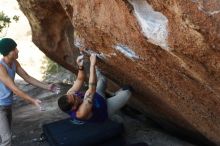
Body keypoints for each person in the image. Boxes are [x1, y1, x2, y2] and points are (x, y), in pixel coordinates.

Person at [0, 38, 59, 146]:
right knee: (7, 139)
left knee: (4, 136)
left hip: (7, 104)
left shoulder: (14, 62)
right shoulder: (1, 67)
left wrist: (47, 87)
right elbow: (15, 89)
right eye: (14, 49)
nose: (17, 50)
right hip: (0, 107)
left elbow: (27, 77)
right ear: (8, 52)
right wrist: (32, 101)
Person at [58, 53, 132, 124]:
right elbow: (91, 89)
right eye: (74, 98)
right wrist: (92, 65)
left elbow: (80, 79)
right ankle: (113, 112)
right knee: (127, 91)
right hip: (105, 110)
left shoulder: (70, 95)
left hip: (97, 97)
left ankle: (111, 96)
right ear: (73, 107)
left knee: (102, 78)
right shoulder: (81, 113)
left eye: (72, 95)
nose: (74, 94)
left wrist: (80, 66)